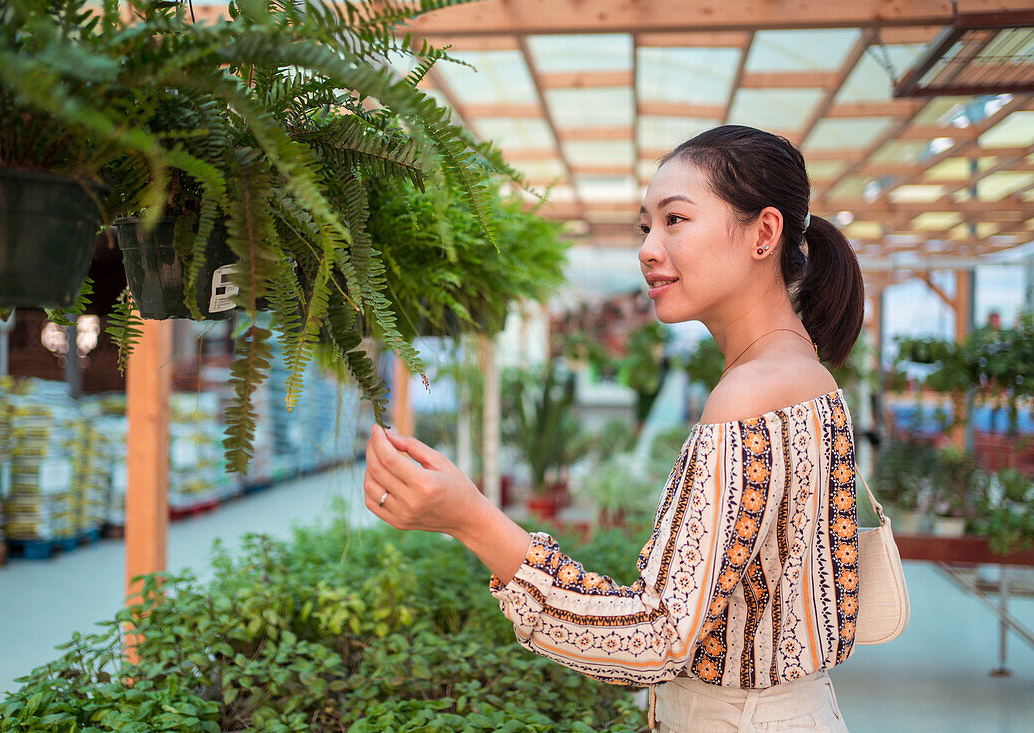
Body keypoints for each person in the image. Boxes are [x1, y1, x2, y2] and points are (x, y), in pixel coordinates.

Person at [362, 124, 865, 732]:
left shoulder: (750, 393)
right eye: (645, 227)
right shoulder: (802, 370)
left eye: (675, 219)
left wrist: (471, 519)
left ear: (764, 233)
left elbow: (658, 636)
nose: (648, 248)